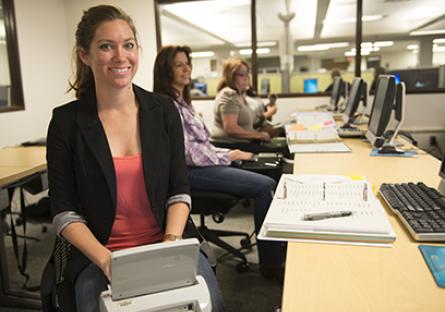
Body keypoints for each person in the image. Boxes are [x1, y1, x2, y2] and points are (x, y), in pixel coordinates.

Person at [46, 6, 223, 312]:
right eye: (106, 46)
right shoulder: (66, 122)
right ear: (85, 55)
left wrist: (171, 243)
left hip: (167, 239)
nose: (120, 56)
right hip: (100, 253)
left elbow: (179, 189)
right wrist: (106, 260)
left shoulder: (164, 110)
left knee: (211, 303)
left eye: (128, 45)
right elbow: (64, 211)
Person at [153, 45, 286, 282]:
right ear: (166, 70)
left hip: (205, 165)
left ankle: (279, 246)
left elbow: (202, 144)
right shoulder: (166, 105)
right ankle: (272, 264)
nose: (187, 69)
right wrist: (229, 156)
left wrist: (229, 153)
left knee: (267, 169)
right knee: (265, 185)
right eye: (179, 64)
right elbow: (186, 154)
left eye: (188, 63)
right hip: (189, 173)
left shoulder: (183, 102)